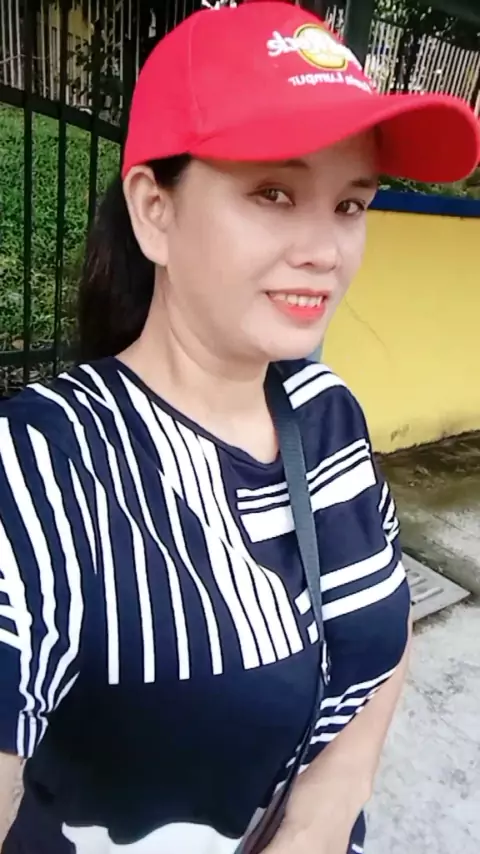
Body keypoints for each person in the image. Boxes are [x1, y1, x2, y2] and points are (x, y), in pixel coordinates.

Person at [0, 1, 478, 853]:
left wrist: (328, 807)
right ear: (155, 209)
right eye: (273, 193)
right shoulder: (42, 468)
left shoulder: (327, 412)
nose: (327, 251)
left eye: (351, 205)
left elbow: (385, 614)